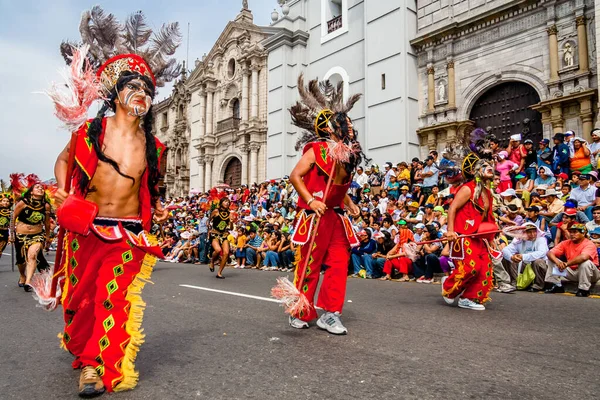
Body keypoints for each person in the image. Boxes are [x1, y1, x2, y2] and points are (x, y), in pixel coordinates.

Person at [52, 9, 179, 396]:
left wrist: (156, 207)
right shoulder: (90, 132)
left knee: (113, 297)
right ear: (116, 93)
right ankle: (82, 345)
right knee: (81, 301)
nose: (142, 91)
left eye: (148, 87)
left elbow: (152, 187)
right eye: (134, 84)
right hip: (86, 228)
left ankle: (96, 366)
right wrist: (64, 190)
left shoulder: (156, 147)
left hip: (129, 234)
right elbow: (63, 161)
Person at [285, 74, 364, 335]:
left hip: (335, 217)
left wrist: (349, 203)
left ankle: (330, 313)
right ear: (328, 128)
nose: (347, 125)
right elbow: (295, 176)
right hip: (315, 215)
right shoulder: (315, 150)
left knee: (339, 263)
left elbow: (338, 186)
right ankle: (301, 309)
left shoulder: (349, 153)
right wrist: (311, 200)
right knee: (310, 264)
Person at [442, 151, 497, 311]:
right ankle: (448, 287)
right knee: (471, 268)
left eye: (489, 165)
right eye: (484, 166)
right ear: (474, 172)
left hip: (480, 238)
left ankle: (469, 298)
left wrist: (492, 239)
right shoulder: (467, 189)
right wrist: (450, 232)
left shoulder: (488, 193)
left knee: (486, 270)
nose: (489, 168)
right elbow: (452, 209)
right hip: (463, 236)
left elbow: (488, 218)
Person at [9, 175, 52, 290]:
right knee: (21, 260)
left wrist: (47, 237)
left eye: (42, 188)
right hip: (20, 235)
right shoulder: (23, 202)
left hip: (37, 235)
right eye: (37, 187)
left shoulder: (46, 206)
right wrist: (11, 234)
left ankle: (28, 282)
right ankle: (23, 275)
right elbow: (13, 217)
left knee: (32, 255)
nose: (40, 189)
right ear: (31, 192)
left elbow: (47, 223)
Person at [545, 223, 600, 297]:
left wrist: (566, 264)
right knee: (551, 259)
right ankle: (556, 285)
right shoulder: (566, 243)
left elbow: (584, 257)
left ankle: (584, 290)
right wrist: (558, 262)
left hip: (591, 275)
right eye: (571, 232)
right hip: (572, 271)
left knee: (585, 263)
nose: (572, 234)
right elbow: (549, 253)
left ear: (583, 233)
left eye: (575, 232)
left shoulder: (589, 244)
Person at [502, 222, 549, 292]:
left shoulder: (541, 239)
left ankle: (538, 285)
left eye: (534, 232)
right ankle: (514, 282)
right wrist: (512, 257)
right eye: (529, 232)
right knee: (507, 258)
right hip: (524, 266)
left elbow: (542, 253)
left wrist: (523, 256)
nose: (533, 234)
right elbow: (505, 250)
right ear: (524, 233)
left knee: (538, 261)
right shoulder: (519, 241)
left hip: (537, 267)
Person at [0, 186, 12, 260]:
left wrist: (10, 235)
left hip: (4, 232)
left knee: (0, 250)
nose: (6, 202)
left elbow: (11, 225)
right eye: (4, 201)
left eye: (7, 201)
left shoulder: (10, 213)